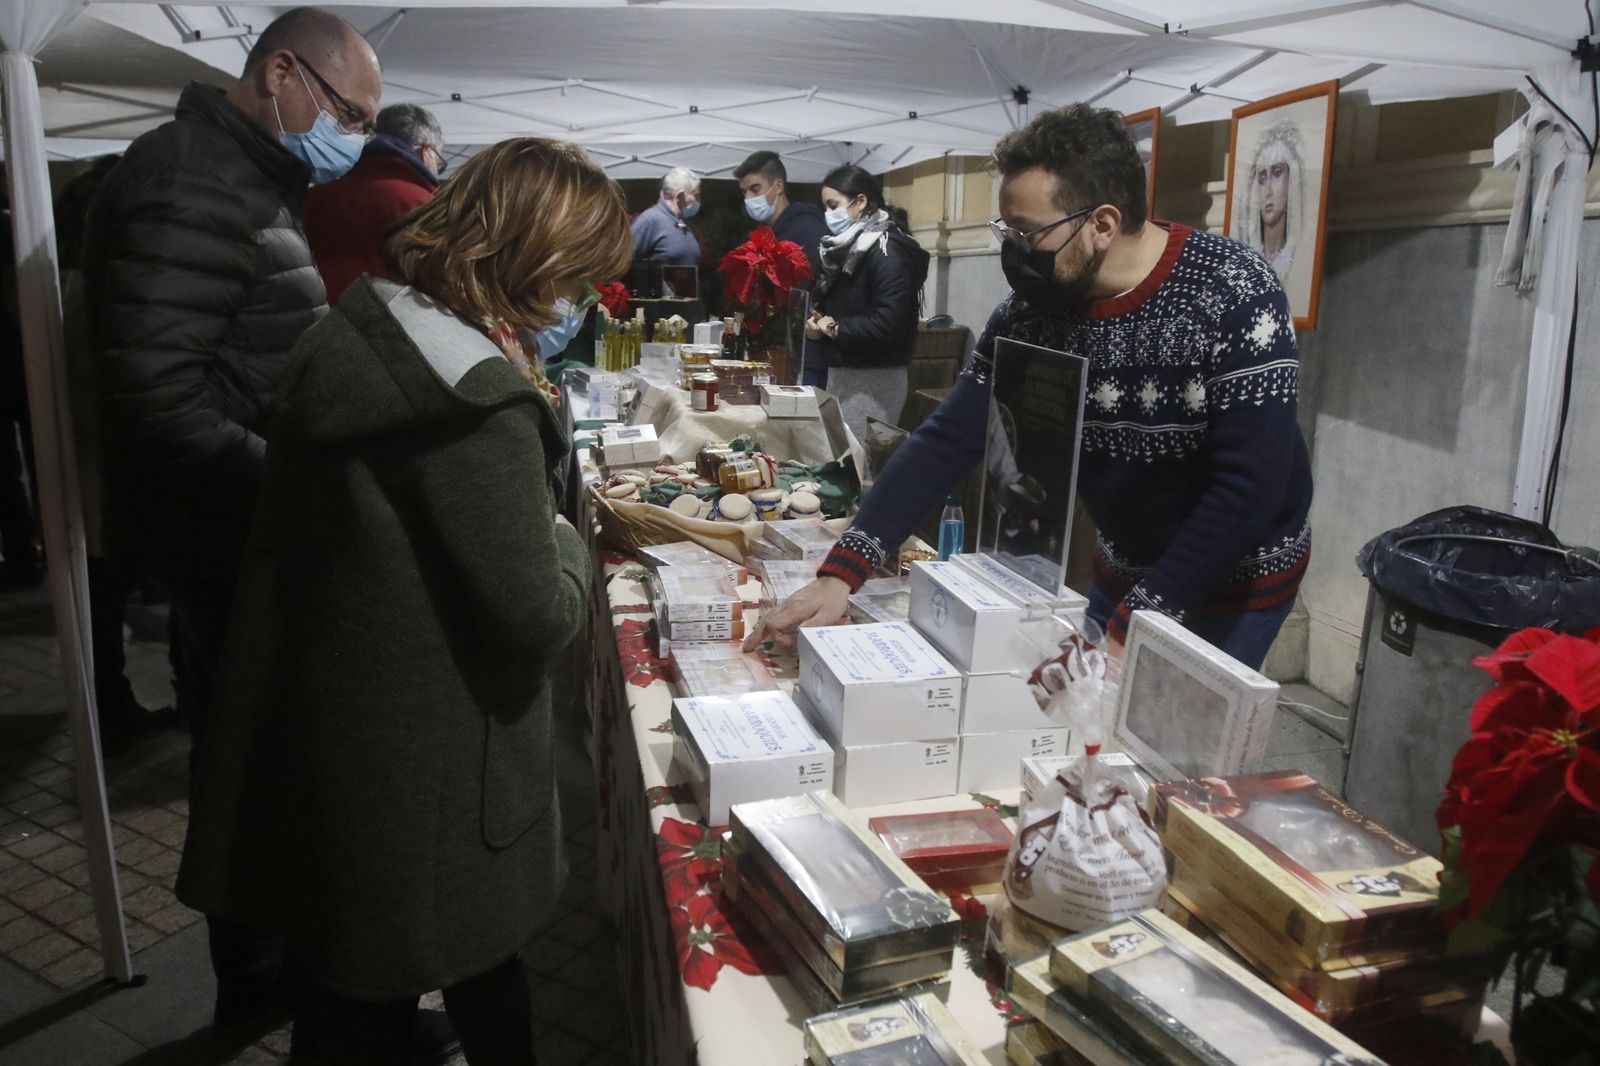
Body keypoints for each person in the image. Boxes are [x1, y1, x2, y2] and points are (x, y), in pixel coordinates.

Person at [175, 137, 626, 1066]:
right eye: (575, 277)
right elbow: (536, 611)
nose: (575, 302)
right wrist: (573, 543)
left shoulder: (363, 327)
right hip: (436, 753)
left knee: (353, 981)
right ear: (532, 261)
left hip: (344, 720)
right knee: (454, 968)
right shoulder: (478, 403)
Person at [749, 104, 1313, 671]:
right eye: (1005, 230)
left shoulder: (1232, 291)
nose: (1012, 251)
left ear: (1102, 224)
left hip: (1236, 573)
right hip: (1126, 562)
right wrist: (843, 570)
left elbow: (1248, 487)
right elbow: (949, 438)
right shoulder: (1033, 313)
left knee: (1176, 746)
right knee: (1078, 718)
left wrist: (1132, 624)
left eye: (1027, 232)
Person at [82, 5, 382, 1032]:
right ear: (281, 74)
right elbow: (161, 400)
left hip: (244, 530)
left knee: (264, 767)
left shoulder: (243, 174)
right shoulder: (189, 179)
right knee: (255, 771)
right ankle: (264, 984)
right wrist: (295, 481)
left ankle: (271, 978)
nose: (348, 137)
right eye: (346, 110)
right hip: (226, 538)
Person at [803, 165, 929, 439]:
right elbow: (844, 305)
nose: (828, 214)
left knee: (862, 467)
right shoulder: (847, 249)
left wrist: (834, 328)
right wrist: (819, 320)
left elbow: (888, 324)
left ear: (861, 201)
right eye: (824, 207)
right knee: (844, 460)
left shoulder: (887, 249)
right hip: (845, 373)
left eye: (833, 205)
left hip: (875, 380)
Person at [304, 102, 448, 303]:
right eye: (439, 161)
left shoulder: (316, 196)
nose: (436, 169)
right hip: (395, 326)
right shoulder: (427, 207)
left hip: (319, 325)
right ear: (426, 151)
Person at [735, 150, 830, 277]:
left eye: (755, 190)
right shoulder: (767, 234)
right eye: (744, 192)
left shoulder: (807, 229)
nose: (748, 198)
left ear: (778, 186)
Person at [1237, 120, 1303, 284]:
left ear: (1291, 181)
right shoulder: (1247, 258)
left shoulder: (1300, 258)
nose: (1267, 191)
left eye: (1277, 173)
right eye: (1262, 177)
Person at [630, 166, 702, 267]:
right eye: (696, 195)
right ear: (680, 196)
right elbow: (622, 263)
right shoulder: (650, 220)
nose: (698, 200)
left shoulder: (683, 223)